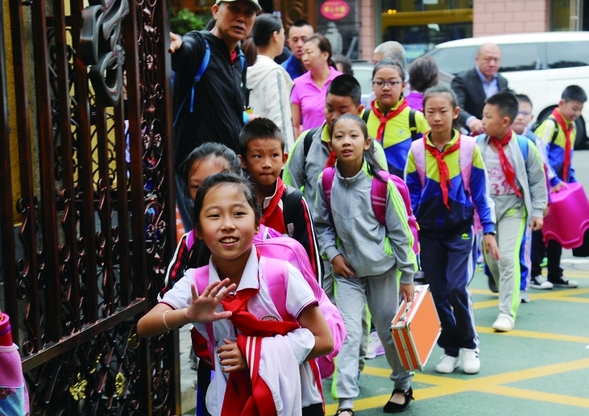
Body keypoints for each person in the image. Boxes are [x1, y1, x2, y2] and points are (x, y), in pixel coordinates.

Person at [139, 172, 333, 416]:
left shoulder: (281, 275)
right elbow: (145, 326)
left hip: (293, 400)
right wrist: (187, 315)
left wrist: (253, 354)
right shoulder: (197, 282)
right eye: (214, 215)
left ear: (256, 224)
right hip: (226, 402)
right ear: (197, 229)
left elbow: (325, 340)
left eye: (239, 213)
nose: (227, 224)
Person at [314, 114, 416, 415]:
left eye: (353, 136)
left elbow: (401, 233)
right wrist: (333, 254)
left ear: (366, 142)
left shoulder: (383, 185)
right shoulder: (327, 181)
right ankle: (346, 403)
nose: (346, 141)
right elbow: (322, 225)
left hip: (383, 271)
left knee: (388, 332)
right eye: (339, 136)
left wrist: (407, 275)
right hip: (348, 273)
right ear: (331, 143)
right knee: (346, 334)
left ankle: (402, 385)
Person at [405, 86, 499, 374]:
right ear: (423, 114)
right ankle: (451, 349)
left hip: (460, 230)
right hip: (429, 233)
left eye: (442, 111)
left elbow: (481, 195)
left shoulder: (470, 148)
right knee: (438, 293)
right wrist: (411, 232)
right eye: (430, 111)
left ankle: (470, 345)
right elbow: (411, 196)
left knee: (457, 287)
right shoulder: (417, 150)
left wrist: (489, 231)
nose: (436, 117)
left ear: (455, 113)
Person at [159, 142, 243, 416]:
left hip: (263, 360)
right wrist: (191, 313)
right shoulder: (190, 244)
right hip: (211, 362)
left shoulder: (270, 241)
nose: (205, 192)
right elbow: (166, 301)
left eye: (215, 181)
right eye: (196, 187)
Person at [169, 0, 260, 230]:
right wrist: (176, 46)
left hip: (229, 169)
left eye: (248, 13)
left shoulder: (239, 59)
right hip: (197, 171)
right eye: (234, 9)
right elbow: (184, 49)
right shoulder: (200, 46)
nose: (241, 18)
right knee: (202, 237)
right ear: (216, 10)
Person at [478, 91, 547, 332]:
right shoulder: (477, 145)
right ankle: (505, 285)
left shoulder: (524, 146)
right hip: (486, 212)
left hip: (513, 210)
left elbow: (538, 180)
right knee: (492, 262)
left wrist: (538, 211)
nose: (482, 121)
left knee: (506, 257)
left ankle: (507, 312)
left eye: (488, 117)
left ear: (505, 121)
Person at [238, 117, 322, 280]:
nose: (267, 163)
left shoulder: (293, 202)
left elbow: (311, 258)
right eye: (257, 156)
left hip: (287, 291)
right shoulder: (236, 202)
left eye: (274, 155)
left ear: (284, 159)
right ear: (243, 161)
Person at [532, 85, 587, 289]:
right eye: (574, 108)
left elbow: (568, 159)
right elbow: (539, 156)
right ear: (562, 103)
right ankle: (535, 274)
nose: (577, 113)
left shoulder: (571, 127)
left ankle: (555, 274)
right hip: (543, 187)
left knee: (557, 230)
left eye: (580, 109)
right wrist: (553, 180)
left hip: (559, 190)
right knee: (539, 231)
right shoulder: (550, 125)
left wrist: (571, 182)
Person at [511, 94, 556, 300]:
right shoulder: (495, 140)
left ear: (532, 117)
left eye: (525, 113)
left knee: (523, 248)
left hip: (525, 205)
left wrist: (542, 202)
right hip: (503, 203)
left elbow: (543, 172)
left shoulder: (530, 141)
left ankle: (522, 286)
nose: (520, 117)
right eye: (517, 112)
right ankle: (500, 280)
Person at [364, 58, 429, 178]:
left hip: (405, 191)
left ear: (403, 86)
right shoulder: (363, 117)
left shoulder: (416, 119)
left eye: (393, 83)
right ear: (372, 86)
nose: (386, 88)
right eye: (379, 82)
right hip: (368, 190)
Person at [247, 14, 295, 150]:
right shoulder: (274, 72)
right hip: (273, 155)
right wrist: (285, 157)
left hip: (252, 150)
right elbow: (279, 120)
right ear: (275, 36)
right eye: (283, 34)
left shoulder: (246, 69)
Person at [451, 42, 510, 135]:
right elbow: (456, 107)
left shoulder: (502, 81)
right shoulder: (462, 80)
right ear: (477, 59)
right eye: (487, 59)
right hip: (471, 134)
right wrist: (471, 120)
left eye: (496, 60)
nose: (492, 64)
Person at [291, 35, 342, 138]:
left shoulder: (341, 81)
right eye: (303, 53)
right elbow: (295, 126)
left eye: (309, 53)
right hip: (310, 146)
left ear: (325, 55)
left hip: (337, 143)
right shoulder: (298, 84)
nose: (304, 58)